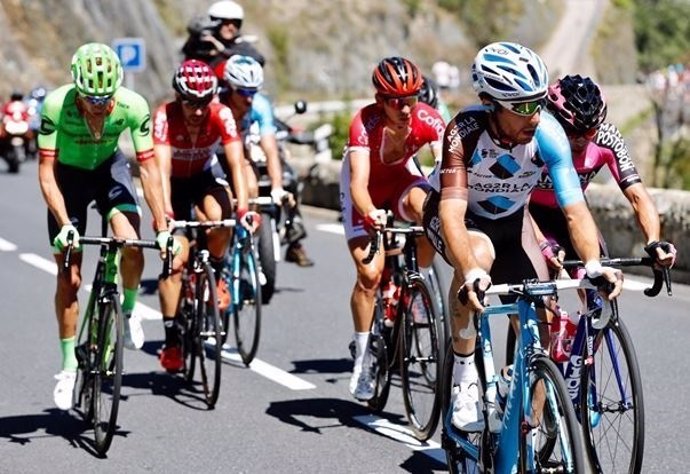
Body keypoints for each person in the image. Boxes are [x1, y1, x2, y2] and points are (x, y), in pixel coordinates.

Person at [422, 42, 623, 431]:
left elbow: (574, 207)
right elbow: (451, 212)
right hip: (462, 218)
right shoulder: (464, 131)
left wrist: (594, 265)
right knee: (477, 258)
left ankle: (522, 419)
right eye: (523, 106)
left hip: (513, 222)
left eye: (539, 101)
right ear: (491, 102)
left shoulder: (547, 132)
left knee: (544, 311)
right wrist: (470, 271)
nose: (535, 115)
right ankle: (464, 376)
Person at [37, 43, 174, 410]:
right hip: (68, 177)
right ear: (77, 90)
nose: (99, 107)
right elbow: (47, 174)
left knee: (131, 242)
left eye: (105, 99)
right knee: (70, 278)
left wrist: (163, 225)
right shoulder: (55, 106)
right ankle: (68, 367)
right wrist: (65, 223)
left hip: (109, 170)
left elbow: (148, 169)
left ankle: (127, 312)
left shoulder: (133, 105)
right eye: (90, 99)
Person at [340, 56, 445, 401]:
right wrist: (370, 212)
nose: (405, 108)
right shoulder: (364, 123)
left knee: (430, 210)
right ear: (380, 101)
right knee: (370, 275)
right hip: (366, 189)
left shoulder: (427, 118)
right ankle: (364, 355)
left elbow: (448, 166)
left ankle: (420, 282)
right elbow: (358, 183)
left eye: (412, 100)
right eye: (397, 102)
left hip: (400, 180)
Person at [153, 59, 255, 372]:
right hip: (171, 185)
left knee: (221, 221)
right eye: (190, 103)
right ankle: (172, 342)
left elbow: (236, 163)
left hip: (204, 177)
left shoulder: (221, 113)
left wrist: (243, 209)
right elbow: (161, 169)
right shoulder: (164, 116)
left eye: (204, 103)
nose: (198, 111)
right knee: (174, 261)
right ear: (177, 97)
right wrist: (165, 215)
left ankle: (217, 275)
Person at [530, 74, 677, 272]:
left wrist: (654, 242)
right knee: (543, 293)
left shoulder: (607, 138)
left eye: (590, 132)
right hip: (529, 214)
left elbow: (637, 196)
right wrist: (542, 244)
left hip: (572, 212)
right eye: (571, 133)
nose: (581, 140)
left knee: (601, 283)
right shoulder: (534, 139)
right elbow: (516, 203)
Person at [220, 55, 314, 267]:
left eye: (253, 91)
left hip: (242, 155)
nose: (249, 98)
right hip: (217, 157)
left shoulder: (260, 105)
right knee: (223, 202)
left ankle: (247, 238)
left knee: (252, 188)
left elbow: (270, 149)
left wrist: (277, 187)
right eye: (243, 92)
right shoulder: (218, 104)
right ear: (230, 87)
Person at [181, 0, 265, 71]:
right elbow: (187, 51)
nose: (231, 28)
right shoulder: (205, 41)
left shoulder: (239, 45)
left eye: (235, 24)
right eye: (226, 23)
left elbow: (259, 60)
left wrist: (223, 51)